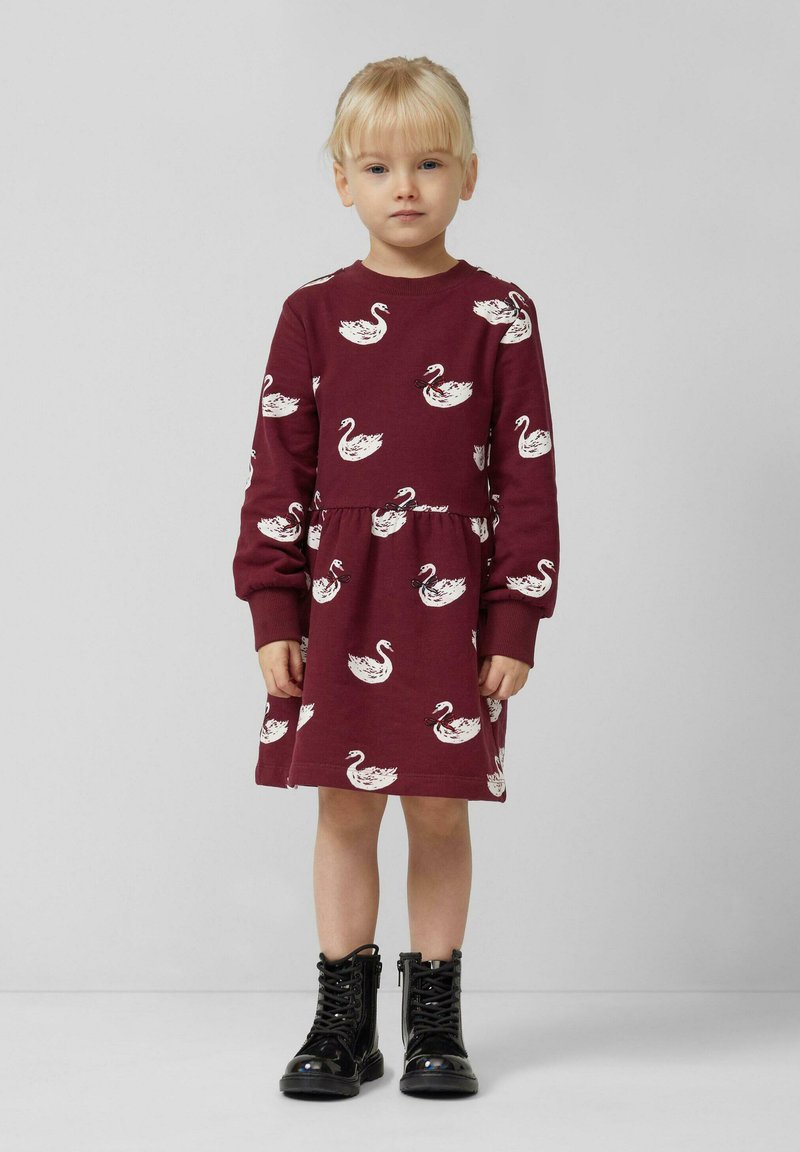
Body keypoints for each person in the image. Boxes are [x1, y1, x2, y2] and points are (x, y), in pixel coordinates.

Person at [232, 54, 560, 1099]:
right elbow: (277, 469)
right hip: (336, 602)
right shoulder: (311, 313)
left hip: (452, 609)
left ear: (469, 174)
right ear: (342, 181)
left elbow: (527, 476)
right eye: (377, 167)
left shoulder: (500, 314)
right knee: (341, 807)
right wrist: (272, 608)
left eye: (428, 163)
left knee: (437, 811)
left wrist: (514, 619)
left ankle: (434, 1022)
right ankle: (342, 1022)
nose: (404, 187)